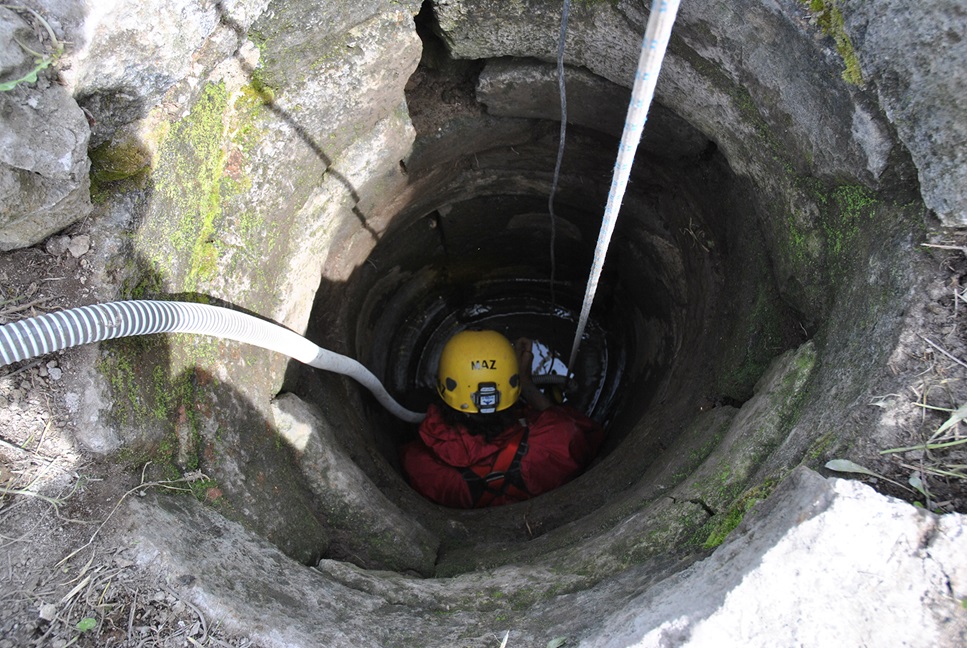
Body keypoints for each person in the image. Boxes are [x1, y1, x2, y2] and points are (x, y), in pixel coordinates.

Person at [400, 329, 605, 508]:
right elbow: (585, 431)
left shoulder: (422, 467)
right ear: (512, 391)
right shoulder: (555, 441)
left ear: (445, 390)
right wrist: (526, 384)